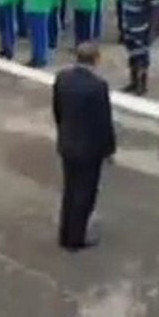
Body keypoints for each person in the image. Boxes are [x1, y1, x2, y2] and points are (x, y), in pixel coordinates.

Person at [52, 43, 117, 252]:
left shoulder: (63, 78)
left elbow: (58, 110)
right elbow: (103, 122)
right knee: (85, 194)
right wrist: (109, 150)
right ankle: (76, 238)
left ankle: (65, 233)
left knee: (70, 190)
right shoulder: (98, 86)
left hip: (67, 143)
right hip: (89, 149)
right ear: (96, 59)